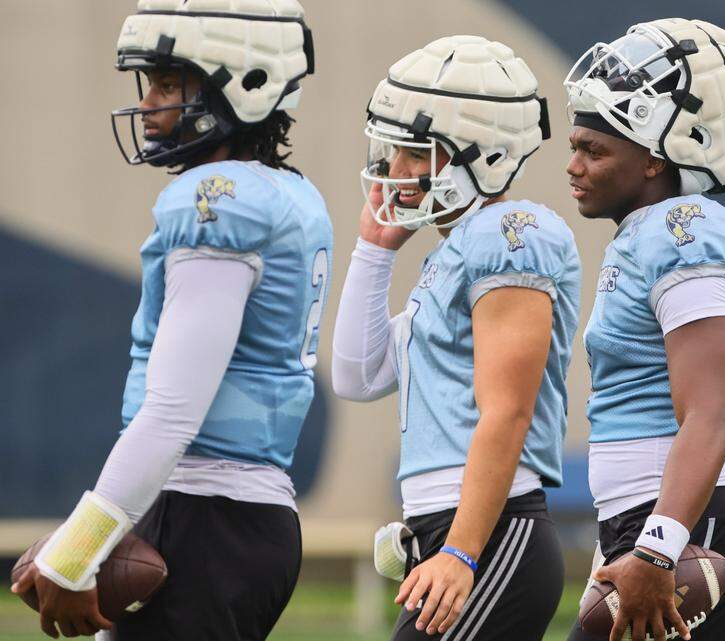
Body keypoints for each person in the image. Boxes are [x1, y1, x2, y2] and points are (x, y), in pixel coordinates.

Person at [10, 1, 327, 640]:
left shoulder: (218, 201)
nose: (149, 104)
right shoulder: (287, 194)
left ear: (244, 83)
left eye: (167, 83)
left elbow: (174, 411)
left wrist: (79, 547)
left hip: (207, 515)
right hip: (231, 512)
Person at [330, 35, 580, 641]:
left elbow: (508, 410)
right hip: (456, 528)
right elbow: (356, 375)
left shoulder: (509, 233)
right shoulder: (455, 251)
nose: (396, 169)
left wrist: (464, 551)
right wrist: (373, 247)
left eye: (416, 152)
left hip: (492, 534)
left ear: (484, 155)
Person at [562, 18, 725, 641]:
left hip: (682, 525)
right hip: (652, 519)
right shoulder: (643, 235)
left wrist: (656, 547)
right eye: (574, 146)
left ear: (657, 161)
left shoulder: (684, 229)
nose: (574, 166)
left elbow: (710, 413)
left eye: (595, 151)